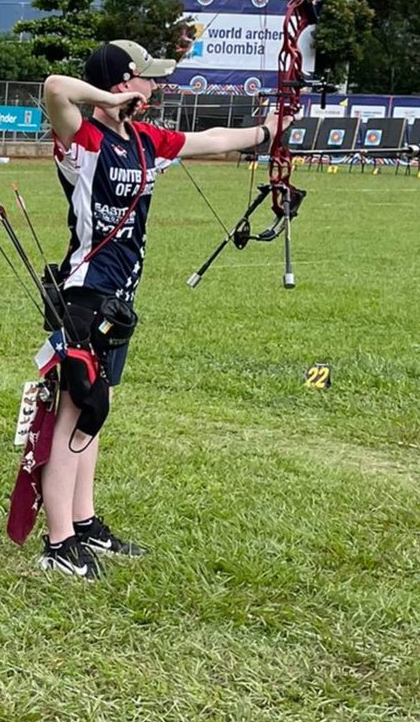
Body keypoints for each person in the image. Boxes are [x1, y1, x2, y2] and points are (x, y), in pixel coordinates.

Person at [38, 39, 290, 579]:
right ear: (122, 83)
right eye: (147, 78)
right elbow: (56, 88)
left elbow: (211, 140)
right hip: (85, 292)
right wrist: (107, 97)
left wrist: (266, 133)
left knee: (94, 415)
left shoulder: (148, 140)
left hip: (119, 299)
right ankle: (58, 543)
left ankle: (83, 524)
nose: (156, 86)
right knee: (77, 411)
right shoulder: (80, 140)